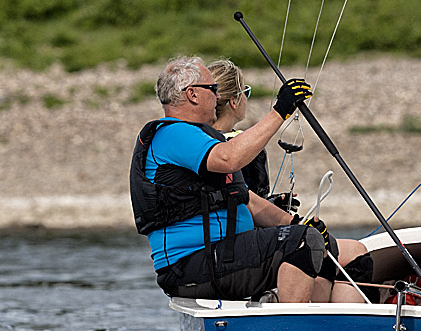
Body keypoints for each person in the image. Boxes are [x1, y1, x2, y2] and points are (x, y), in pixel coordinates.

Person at [130, 55, 372, 303]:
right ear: (192, 94)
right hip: (192, 264)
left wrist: (299, 222)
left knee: (317, 243)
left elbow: (249, 202)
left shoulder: (201, 141)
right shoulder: (173, 133)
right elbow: (229, 158)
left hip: (218, 257)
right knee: (303, 242)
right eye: (213, 90)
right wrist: (281, 111)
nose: (217, 97)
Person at [207, 57, 298, 212]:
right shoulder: (240, 147)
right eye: (245, 92)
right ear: (234, 101)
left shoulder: (194, 139)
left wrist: (270, 204)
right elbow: (244, 205)